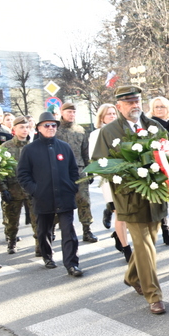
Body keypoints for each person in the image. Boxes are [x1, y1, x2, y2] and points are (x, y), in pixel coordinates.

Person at [92, 85, 168, 315]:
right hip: (129, 198)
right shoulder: (109, 132)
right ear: (119, 106)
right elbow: (99, 164)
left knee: (149, 243)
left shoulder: (154, 126)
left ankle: (132, 276)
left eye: (136, 101)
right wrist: (123, 175)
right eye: (129, 102)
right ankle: (153, 295)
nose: (134, 105)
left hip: (154, 197)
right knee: (144, 245)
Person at [18, 112, 83, 277]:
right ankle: (47, 256)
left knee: (69, 231)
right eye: (46, 125)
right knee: (44, 230)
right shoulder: (29, 149)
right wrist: (35, 190)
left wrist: (71, 187)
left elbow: (73, 171)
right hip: (43, 197)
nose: (50, 128)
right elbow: (23, 175)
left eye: (53, 125)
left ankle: (71, 264)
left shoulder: (64, 147)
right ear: (39, 128)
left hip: (64, 196)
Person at [90, 103, 131, 262]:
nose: (112, 117)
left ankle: (117, 234)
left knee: (127, 214)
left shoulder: (121, 131)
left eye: (114, 114)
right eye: (109, 114)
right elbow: (96, 159)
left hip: (127, 178)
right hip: (110, 180)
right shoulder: (96, 134)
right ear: (101, 118)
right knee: (120, 214)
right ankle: (126, 248)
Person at [56, 102, 97, 243]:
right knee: (60, 202)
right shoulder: (55, 130)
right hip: (61, 172)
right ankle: (54, 230)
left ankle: (87, 230)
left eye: (73, 112)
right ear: (62, 112)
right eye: (68, 112)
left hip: (79, 171)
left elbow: (85, 152)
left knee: (84, 201)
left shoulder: (80, 130)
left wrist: (90, 170)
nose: (71, 114)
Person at [0, 116, 37, 254]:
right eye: (21, 127)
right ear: (14, 129)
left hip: (31, 190)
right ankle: (11, 241)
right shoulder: (6, 147)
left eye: (27, 127)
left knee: (37, 219)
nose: (25, 130)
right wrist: (3, 189)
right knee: (11, 220)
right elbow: (0, 170)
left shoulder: (33, 147)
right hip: (13, 189)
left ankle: (40, 245)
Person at [148, 96, 169, 247]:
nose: (159, 109)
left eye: (162, 106)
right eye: (157, 106)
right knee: (161, 200)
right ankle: (164, 230)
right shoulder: (151, 124)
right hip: (157, 164)